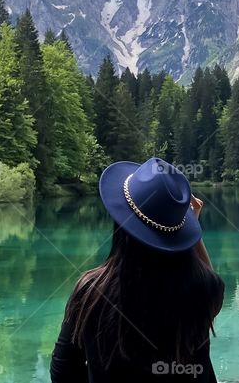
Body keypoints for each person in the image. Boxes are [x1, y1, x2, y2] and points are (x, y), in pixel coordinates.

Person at [50, 157, 225, 382]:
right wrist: (190, 231)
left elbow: (62, 372)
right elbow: (209, 288)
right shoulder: (203, 289)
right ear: (179, 233)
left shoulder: (91, 291)